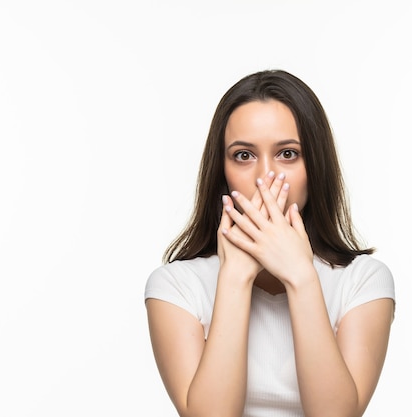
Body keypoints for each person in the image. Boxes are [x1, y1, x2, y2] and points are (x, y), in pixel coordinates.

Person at [144, 69, 395, 417]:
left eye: (288, 154)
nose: (265, 176)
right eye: (244, 156)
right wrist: (235, 278)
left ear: (315, 166)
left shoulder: (363, 281)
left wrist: (300, 277)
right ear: (222, 170)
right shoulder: (175, 285)